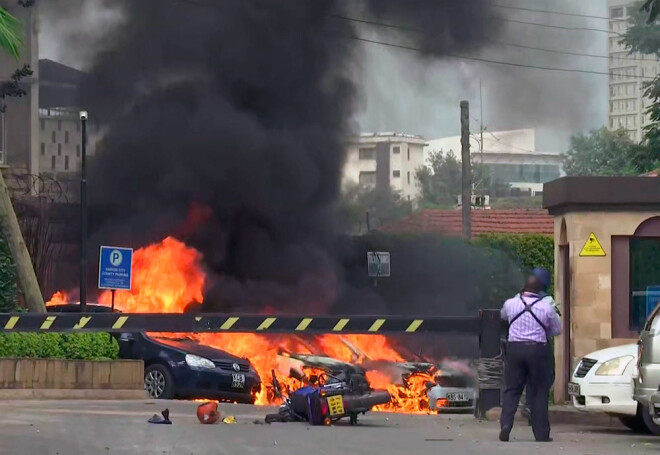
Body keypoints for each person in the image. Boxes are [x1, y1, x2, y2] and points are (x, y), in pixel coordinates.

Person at [499, 271, 562, 442]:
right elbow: (557, 330)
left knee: (512, 389)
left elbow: (503, 317)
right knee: (538, 391)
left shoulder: (511, 303)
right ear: (540, 289)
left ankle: (506, 425)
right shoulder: (546, 307)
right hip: (537, 350)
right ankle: (541, 434)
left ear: (524, 287)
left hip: (515, 350)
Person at [521, 267, 560, 424]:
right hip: (541, 345)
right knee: (546, 378)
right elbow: (557, 326)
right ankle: (535, 410)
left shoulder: (518, 299)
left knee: (529, 378)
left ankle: (529, 407)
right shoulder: (547, 301)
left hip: (518, 344)